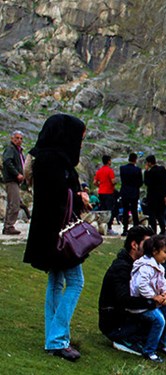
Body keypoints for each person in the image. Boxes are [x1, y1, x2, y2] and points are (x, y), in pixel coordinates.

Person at [23, 114, 89, 361]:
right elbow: (56, 197)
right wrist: (78, 196)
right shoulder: (53, 160)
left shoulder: (46, 157)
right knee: (75, 282)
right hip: (58, 233)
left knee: (56, 281)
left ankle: (54, 338)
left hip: (50, 231)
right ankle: (58, 338)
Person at [99, 225, 156, 356]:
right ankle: (124, 338)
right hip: (114, 322)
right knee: (157, 313)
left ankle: (151, 340)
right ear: (134, 245)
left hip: (126, 314)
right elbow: (124, 300)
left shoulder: (142, 265)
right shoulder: (122, 267)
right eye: (148, 244)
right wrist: (152, 302)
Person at [129, 235, 166, 363]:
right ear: (155, 251)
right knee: (159, 320)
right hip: (140, 304)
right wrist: (154, 296)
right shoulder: (145, 267)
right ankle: (149, 351)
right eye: (165, 252)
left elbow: (163, 283)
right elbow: (141, 285)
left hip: (152, 302)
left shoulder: (159, 267)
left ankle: (163, 343)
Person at [2, 130, 25, 235]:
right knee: (14, 204)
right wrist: (17, 174)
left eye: (21, 138)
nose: (19, 140)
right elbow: (7, 162)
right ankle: (9, 226)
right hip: (11, 180)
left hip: (15, 180)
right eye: (17, 138)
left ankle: (7, 226)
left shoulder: (18, 151)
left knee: (12, 203)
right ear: (12, 138)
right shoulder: (11, 149)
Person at [144, 155, 166, 235]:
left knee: (152, 214)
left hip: (152, 195)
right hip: (161, 195)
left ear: (149, 163)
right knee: (160, 214)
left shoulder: (150, 172)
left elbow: (147, 182)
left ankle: (153, 230)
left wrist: (146, 171)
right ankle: (163, 229)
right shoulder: (161, 169)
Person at [120, 153, 143, 236]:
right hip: (134, 192)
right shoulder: (137, 170)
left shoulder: (122, 168)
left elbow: (122, 180)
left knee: (125, 211)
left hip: (125, 191)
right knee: (134, 211)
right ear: (135, 160)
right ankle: (136, 227)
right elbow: (140, 182)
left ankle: (125, 229)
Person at [94, 155, 118, 235]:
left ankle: (102, 226)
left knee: (102, 209)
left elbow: (95, 182)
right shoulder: (110, 170)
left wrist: (100, 185)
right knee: (109, 210)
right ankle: (109, 227)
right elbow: (113, 181)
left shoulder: (99, 171)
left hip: (101, 192)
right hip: (108, 192)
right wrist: (115, 182)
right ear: (108, 161)